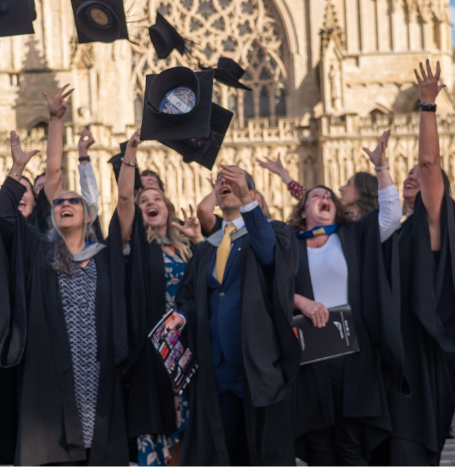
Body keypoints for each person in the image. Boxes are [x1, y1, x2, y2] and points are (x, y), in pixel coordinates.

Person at [0, 85, 139, 464]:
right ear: (51, 213)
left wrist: (129, 157)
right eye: (60, 201)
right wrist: (53, 123)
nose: (65, 202)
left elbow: (127, 201)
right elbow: (38, 186)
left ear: (87, 214)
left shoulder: (106, 254)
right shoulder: (40, 251)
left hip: (97, 374)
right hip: (49, 376)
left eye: (74, 201)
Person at [285, 130, 401, 465]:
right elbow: (271, 287)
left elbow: (391, 216)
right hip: (311, 353)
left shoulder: (353, 236)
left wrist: (381, 168)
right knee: (319, 444)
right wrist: (301, 301)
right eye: (315, 196)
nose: (324, 197)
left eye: (328, 196)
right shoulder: (290, 245)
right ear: (304, 209)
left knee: (351, 442)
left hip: (351, 351)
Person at [378, 60, 455, 465]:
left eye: (423, 173)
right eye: (409, 172)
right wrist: (381, 166)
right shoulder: (400, 232)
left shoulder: (433, 225)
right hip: (392, 359)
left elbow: (431, 164)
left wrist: (427, 106)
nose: (414, 173)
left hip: (419, 361)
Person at [175, 165, 301, 465]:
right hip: (215, 370)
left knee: (259, 452)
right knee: (223, 454)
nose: (224, 184)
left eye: (234, 181)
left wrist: (247, 202)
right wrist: (182, 316)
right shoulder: (206, 250)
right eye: (219, 182)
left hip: (256, 366)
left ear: (252, 193)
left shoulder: (274, 233)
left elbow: (269, 256)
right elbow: (191, 297)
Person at [127, 183, 203, 466]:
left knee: (187, 420)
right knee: (158, 421)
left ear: (167, 207)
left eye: (157, 197)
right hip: (153, 351)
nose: (151, 202)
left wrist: (198, 238)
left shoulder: (186, 249)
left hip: (186, 346)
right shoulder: (133, 250)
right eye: (143, 200)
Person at [258, 153, 380, 221]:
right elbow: (306, 198)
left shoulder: (376, 223)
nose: (341, 188)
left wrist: (381, 167)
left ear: (362, 191)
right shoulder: (338, 216)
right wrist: (282, 173)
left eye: (348, 184)